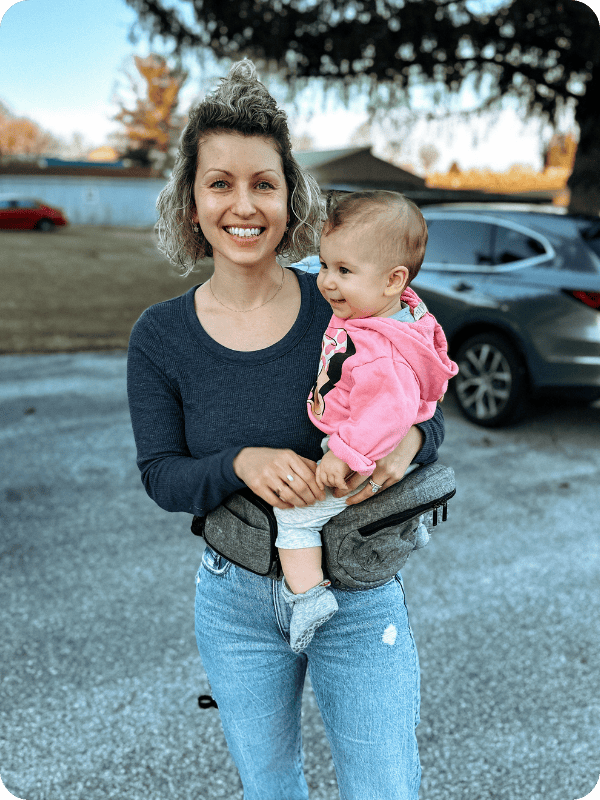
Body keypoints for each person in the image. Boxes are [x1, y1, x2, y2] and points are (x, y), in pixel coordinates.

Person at [127, 59, 446, 800]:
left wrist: (407, 447)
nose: (244, 204)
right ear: (191, 201)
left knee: (386, 788)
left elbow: (421, 403)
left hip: (359, 592)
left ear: (289, 195)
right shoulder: (160, 336)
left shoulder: (341, 299)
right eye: (220, 182)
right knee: (271, 787)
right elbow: (162, 477)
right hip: (234, 599)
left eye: (263, 183)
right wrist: (240, 461)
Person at [274, 190, 458, 653]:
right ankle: (404, 518)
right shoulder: (388, 309)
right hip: (376, 443)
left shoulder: (382, 350)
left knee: (292, 515)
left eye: (344, 271)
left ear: (394, 279)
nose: (328, 283)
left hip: (363, 447)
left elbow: (390, 411)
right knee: (361, 500)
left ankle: (308, 599)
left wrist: (345, 454)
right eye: (324, 265)